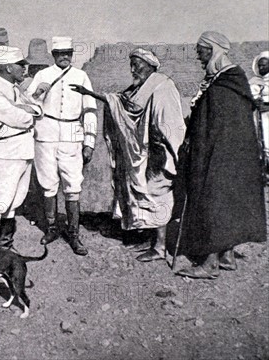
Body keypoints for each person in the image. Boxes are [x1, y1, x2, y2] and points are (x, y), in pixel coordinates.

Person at [70, 48, 186, 262]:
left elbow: (169, 122)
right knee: (147, 192)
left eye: (137, 64)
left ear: (149, 65)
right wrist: (89, 94)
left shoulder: (162, 85)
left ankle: (160, 246)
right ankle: (152, 239)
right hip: (146, 149)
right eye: (131, 65)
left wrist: (166, 148)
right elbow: (121, 102)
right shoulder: (140, 87)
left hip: (160, 150)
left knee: (158, 193)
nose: (133, 69)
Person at [174, 31, 266, 279]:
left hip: (221, 154)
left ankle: (210, 263)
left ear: (213, 49)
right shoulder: (222, 80)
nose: (198, 57)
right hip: (224, 153)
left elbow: (223, 122)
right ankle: (227, 256)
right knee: (222, 202)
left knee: (212, 201)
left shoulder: (228, 82)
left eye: (201, 51)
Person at [25, 36, 97, 255]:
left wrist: (90, 142)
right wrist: (38, 93)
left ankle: (74, 235)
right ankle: (51, 228)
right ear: (53, 55)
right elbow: (29, 105)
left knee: (73, 185)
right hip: (45, 135)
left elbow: (90, 109)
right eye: (60, 53)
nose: (65, 56)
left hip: (72, 135)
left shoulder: (81, 76)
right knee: (47, 183)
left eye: (69, 52)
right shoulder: (42, 75)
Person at [0, 46, 42, 249]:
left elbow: (38, 110)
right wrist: (26, 110)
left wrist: (26, 108)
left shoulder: (16, 89)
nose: (24, 68)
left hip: (23, 150)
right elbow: (22, 119)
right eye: (20, 65)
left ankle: (6, 247)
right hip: (6, 152)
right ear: (8, 67)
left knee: (14, 202)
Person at [249, 51, 269, 176]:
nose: (261, 68)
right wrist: (255, 101)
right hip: (258, 115)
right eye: (260, 65)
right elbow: (250, 94)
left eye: (264, 66)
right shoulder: (254, 81)